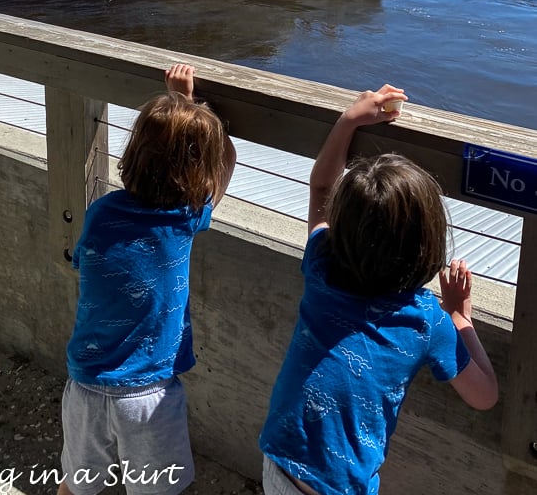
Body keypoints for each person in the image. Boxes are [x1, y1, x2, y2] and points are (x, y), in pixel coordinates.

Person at [260, 84, 498, 495]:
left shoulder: (321, 265)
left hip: (279, 463)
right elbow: (485, 395)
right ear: (426, 244)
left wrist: (350, 120)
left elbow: (320, 189)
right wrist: (459, 316)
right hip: (340, 488)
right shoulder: (426, 321)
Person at [59, 63, 236, 495]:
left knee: (76, 484)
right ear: (198, 170)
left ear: (134, 150)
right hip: (147, 395)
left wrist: (175, 105)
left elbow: (84, 263)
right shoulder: (185, 219)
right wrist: (189, 102)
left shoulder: (101, 212)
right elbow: (225, 166)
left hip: (84, 382)